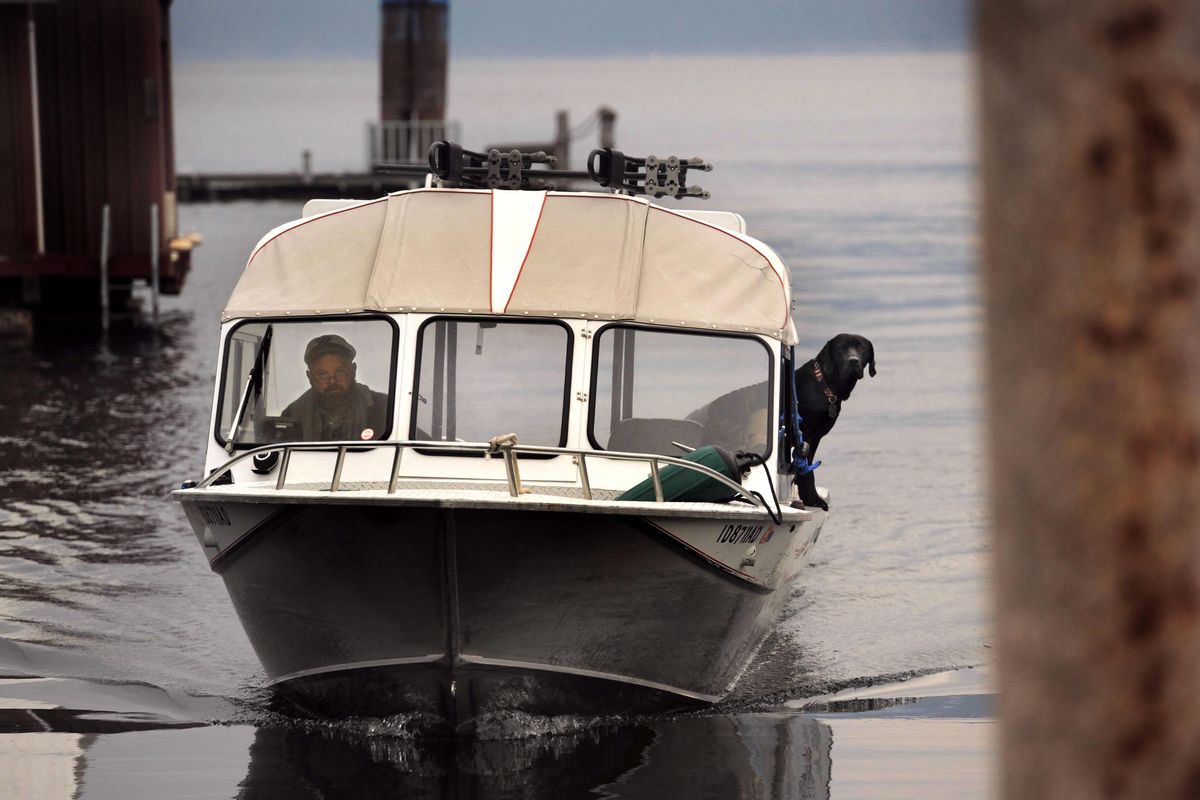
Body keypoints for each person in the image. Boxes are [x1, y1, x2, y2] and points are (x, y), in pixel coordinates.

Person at [282, 334, 389, 442]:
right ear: (310, 377)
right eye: (322, 376)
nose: (332, 381)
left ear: (353, 371)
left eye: (340, 373)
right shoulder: (292, 415)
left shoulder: (383, 408)